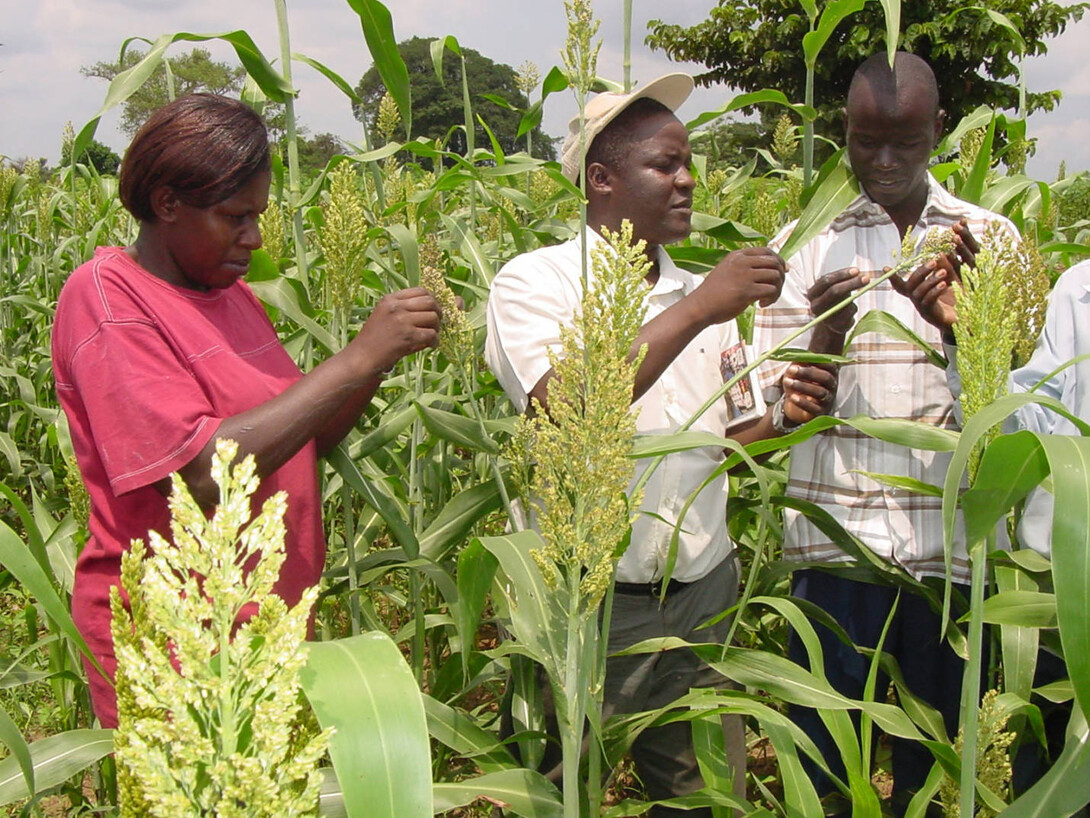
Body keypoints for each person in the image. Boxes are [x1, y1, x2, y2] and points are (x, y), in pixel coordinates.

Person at [485, 74, 839, 817]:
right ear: (602, 179)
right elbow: (563, 403)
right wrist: (705, 306)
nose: (686, 182)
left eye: (688, 165)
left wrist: (789, 413)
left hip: (703, 596)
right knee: (564, 796)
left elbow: (729, 433)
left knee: (709, 797)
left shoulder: (697, 295)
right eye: (665, 165)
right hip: (588, 603)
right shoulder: (535, 282)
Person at [51, 94, 443, 728]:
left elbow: (304, 434)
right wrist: (353, 359)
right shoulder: (107, 298)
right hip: (176, 647)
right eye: (235, 216)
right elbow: (203, 475)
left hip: (263, 631)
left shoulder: (226, 292)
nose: (254, 238)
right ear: (167, 203)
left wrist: (378, 357)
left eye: (258, 215)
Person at [753, 52, 1018, 813]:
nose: (885, 161)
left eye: (906, 140)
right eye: (866, 141)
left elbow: (1019, 422)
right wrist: (822, 340)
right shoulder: (805, 244)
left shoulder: (987, 242)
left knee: (934, 781)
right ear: (845, 132)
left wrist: (964, 331)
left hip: (949, 568)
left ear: (940, 129)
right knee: (827, 775)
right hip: (836, 560)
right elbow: (768, 422)